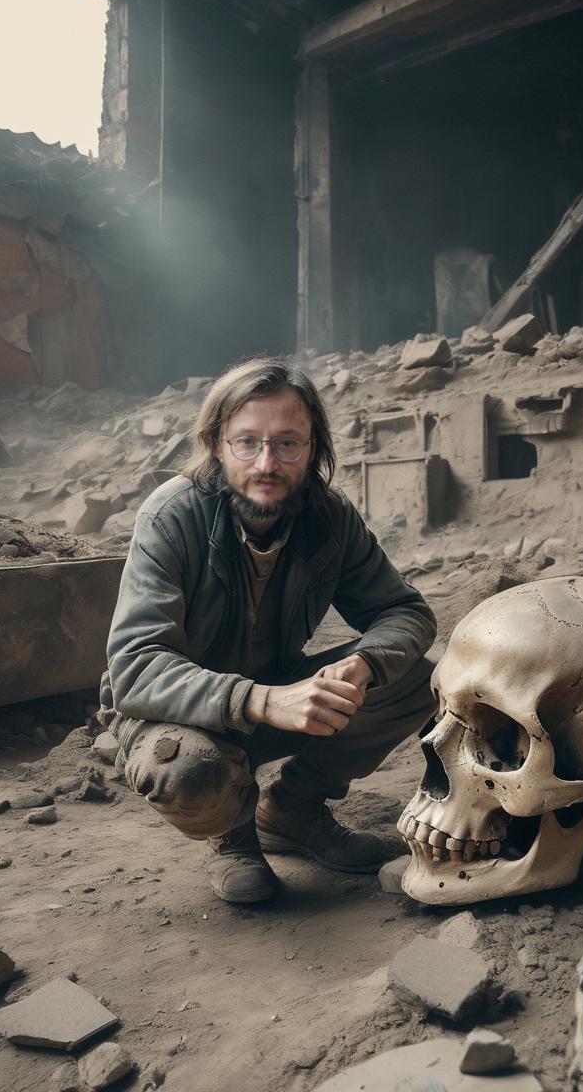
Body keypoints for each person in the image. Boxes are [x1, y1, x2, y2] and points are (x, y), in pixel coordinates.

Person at [106, 357, 437, 904]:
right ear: (216, 444)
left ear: (313, 449)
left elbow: (407, 612)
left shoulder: (328, 517)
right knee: (189, 770)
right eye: (247, 442)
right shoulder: (171, 517)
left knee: (417, 677)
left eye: (288, 444)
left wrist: (365, 665)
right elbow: (136, 671)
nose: (267, 463)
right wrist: (262, 701)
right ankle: (233, 836)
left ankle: (292, 811)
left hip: (277, 688)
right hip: (176, 712)